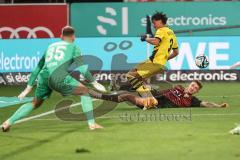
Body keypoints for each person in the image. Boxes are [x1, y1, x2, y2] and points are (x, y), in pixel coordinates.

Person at [1, 26, 106, 132]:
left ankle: (8, 122)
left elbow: (38, 67)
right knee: (84, 91)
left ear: (61, 36)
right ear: (73, 37)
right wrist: (94, 82)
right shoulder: (74, 47)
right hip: (58, 76)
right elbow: (82, 68)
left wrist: (28, 88)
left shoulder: (50, 46)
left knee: (35, 102)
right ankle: (92, 124)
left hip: (44, 77)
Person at [111, 11, 179, 103]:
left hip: (154, 62)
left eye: (154, 23)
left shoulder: (161, 30)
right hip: (158, 63)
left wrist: (145, 39)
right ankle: (122, 88)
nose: (154, 26)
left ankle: (149, 99)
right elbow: (176, 52)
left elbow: (156, 41)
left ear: (159, 21)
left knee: (131, 76)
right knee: (134, 74)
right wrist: (164, 58)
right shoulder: (171, 33)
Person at [103, 81, 229, 109]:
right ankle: (116, 87)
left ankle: (104, 96)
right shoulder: (179, 87)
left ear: (196, 91)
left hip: (154, 104)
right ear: (189, 85)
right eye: (192, 85)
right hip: (154, 95)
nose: (193, 88)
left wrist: (218, 106)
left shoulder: (192, 100)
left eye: (195, 88)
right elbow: (164, 91)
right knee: (139, 82)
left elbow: (205, 103)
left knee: (126, 96)